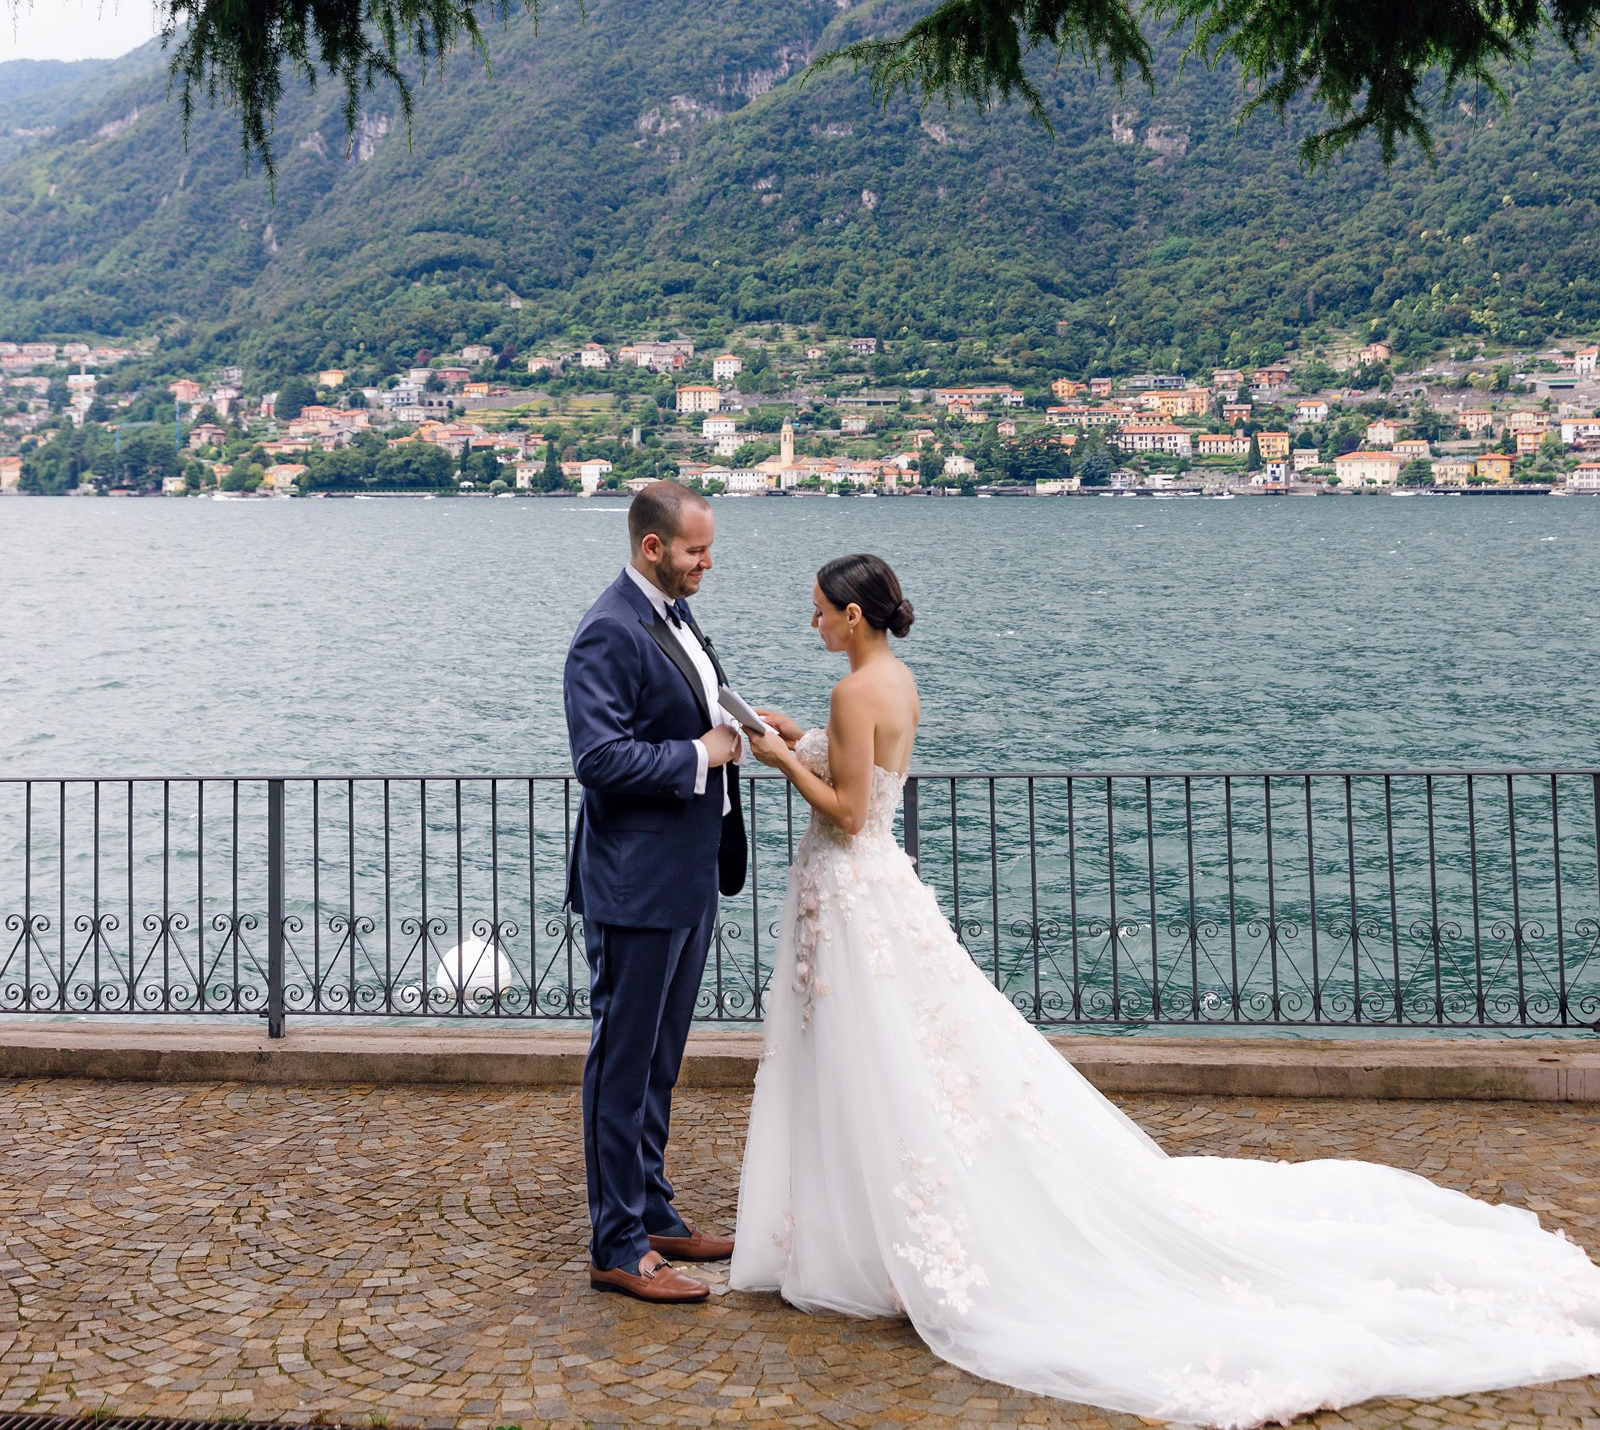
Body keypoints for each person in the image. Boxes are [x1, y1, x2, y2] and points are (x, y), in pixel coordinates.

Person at [735, 552, 1600, 1429]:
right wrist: (799, 734)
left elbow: (844, 811)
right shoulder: (894, 680)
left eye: (816, 613)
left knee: (875, 1058)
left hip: (851, 890)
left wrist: (778, 758)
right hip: (878, 891)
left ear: (851, 616)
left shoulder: (853, 695)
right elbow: (868, 774)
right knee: (901, 1056)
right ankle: (876, 1227)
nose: (811, 624)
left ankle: (867, 1236)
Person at [563, 481, 748, 1304]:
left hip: (688, 871)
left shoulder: (674, 616)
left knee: (660, 1062)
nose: (708, 562)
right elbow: (599, 759)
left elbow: (697, 710)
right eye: (695, 551)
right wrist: (704, 755)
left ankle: (652, 1210)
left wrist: (746, 727)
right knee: (623, 1062)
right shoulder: (608, 630)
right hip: (635, 884)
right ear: (652, 548)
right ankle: (617, 1245)